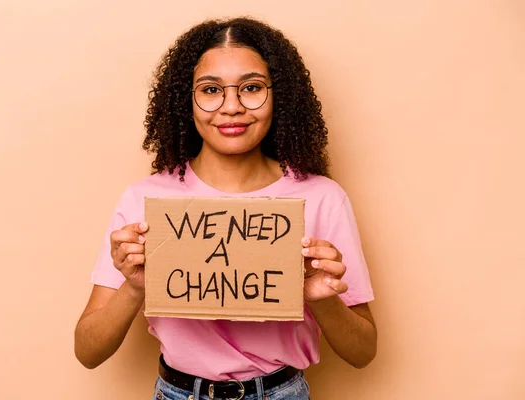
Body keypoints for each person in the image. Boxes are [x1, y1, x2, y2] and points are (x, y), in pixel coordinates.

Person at [74, 17, 377, 400]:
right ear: (187, 99)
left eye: (251, 88)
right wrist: (135, 287)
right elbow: (87, 351)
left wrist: (323, 299)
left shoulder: (321, 198)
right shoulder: (145, 201)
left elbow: (363, 352)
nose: (231, 107)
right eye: (211, 89)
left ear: (278, 95)